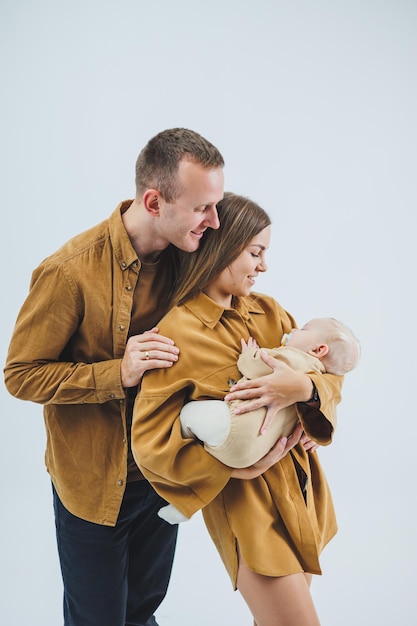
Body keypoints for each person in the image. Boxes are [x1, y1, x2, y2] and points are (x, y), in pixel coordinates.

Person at [3, 128, 226, 626]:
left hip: (162, 476)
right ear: (154, 201)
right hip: (92, 485)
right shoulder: (68, 272)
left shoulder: (192, 263)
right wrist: (117, 372)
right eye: (202, 208)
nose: (214, 221)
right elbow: (20, 375)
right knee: (99, 619)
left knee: (142, 612)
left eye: (217, 205)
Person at [131, 192, 344, 626]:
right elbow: (150, 443)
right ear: (224, 247)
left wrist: (305, 390)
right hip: (250, 512)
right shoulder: (178, 333)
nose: (263, 266)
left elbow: (328, 368)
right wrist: (230, 469)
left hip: (304, 495)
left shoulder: (271, 312)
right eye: (255, 252)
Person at [159, 316, 360, 524]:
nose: (294, 329)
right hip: (257, 453)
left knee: (188, 414)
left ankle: (187, 475)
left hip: (236, 428)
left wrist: (249, 354)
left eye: (303, 329)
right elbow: (331, 401)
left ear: (318, 350)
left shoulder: (293, 358)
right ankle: (187, 504)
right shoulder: (316, 377)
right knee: (216, 461)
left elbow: (253, 366)